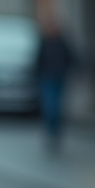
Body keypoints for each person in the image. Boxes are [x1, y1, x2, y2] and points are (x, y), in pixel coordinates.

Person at [34, 16, 76, 152]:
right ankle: (50, 131)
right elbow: (38, 61)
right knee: (50, 106)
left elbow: (71, 58)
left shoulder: (62, 42)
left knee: (57, 107)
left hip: (60, 78)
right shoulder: (44, 42)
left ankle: (56, 132)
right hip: (46, 78)